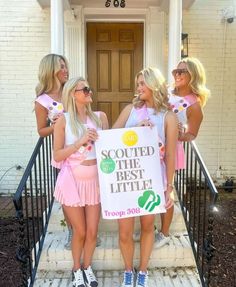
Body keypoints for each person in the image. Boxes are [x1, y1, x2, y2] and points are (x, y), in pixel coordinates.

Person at [112, 67, 178, 287]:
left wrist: (168, 187)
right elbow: (110, 138)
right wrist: (136, 130)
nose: (138, 88)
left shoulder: (168, 117)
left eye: (142, 83)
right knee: (125, 230)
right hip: (126, 178)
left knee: (148, 226)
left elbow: (170, 154)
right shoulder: (130, 110)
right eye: (137, 83)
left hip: (152, 178)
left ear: (154, 85)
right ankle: (128, 271)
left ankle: (142, 271)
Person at [53, 77, 109, 287]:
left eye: (89, 87)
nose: (89, 91)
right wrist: (80, 141)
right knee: (81, 231)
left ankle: (87, 267)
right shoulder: (63, 121)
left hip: (94, 181)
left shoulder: (100, 118)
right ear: (72, 94)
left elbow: (110, 148)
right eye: (84, 89)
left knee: (93, 231)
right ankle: (76, 269)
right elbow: (57, 155)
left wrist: (140, 127)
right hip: (72, 181)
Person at [154, 57, 210, 249]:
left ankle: (164, 232)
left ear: (192, 76)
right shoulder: (166, 92)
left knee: (165, 190)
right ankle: (149, 226)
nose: (176, 75)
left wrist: (179, 134)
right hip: (153, 147)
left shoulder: (194, 105)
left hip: (169, 150)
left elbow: (191, 135)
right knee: (151, 187)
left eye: (181, 72)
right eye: (175, 72)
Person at [34, 53, 74, 248]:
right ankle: (72, 231)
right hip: (62, 152)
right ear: (51, 71)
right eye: (61, 67)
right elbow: (41, 131)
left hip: (82, 150)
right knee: (68, 194)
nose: (66, 70)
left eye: (65, 66)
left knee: (83, 192)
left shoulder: (72, 90)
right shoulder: (42, 101)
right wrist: (59, 125)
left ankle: (85, 230)